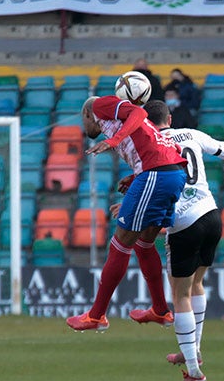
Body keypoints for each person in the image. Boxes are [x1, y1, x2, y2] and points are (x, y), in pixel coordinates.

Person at [66, 96, 187, 331]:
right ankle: (161, 311)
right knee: (144, 243)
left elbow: (140, 113)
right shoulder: (137, 129)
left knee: (120, 243)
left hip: (156, 175)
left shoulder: (100, 106)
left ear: (87, 114)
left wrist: (113, 140)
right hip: (172, 174)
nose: (86, 126)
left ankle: (96, 315)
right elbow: (170, 150)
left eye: (84, 121)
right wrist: (135, 177)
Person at [145, 100, 224, 381]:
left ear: (149, 123)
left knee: (180, 293)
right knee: (197, 285)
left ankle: (194, 370)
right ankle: (191, 350)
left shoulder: (152, 144)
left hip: (184, 223)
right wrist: (215, 150)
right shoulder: (191, 134)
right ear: (169, 118)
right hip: (211, 215)